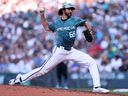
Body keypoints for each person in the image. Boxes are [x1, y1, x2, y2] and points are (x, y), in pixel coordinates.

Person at [9, 2, 109, 93]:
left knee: (91, 62)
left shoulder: (75, 20)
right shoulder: (57, 23)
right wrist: (42, 15)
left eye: (71, 9)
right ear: (64, 10)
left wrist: (89, 29)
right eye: (69, 9)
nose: (70, 10)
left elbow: (86, 23)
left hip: (71, 51)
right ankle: (20, 79)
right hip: (60, 51)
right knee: (42, 70)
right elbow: (46, 27)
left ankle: (96, 87)